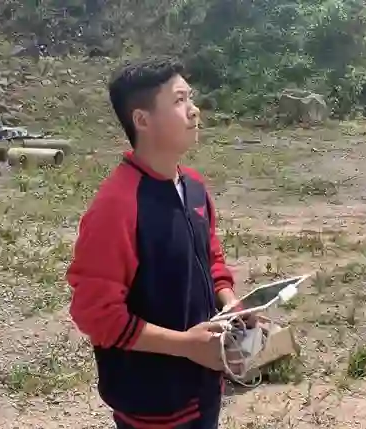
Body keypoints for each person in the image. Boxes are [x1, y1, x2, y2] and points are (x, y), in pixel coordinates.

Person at [66, 56, 247, 429]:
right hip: (152, 404)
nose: (194, 110)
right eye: (179, 100)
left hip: (204, 384)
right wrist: (186, 345)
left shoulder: (193, 186)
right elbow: (96, 314)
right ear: (142, 120)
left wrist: (232, 304)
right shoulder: (117, 206)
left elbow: (210, 258)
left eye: (190, 98)